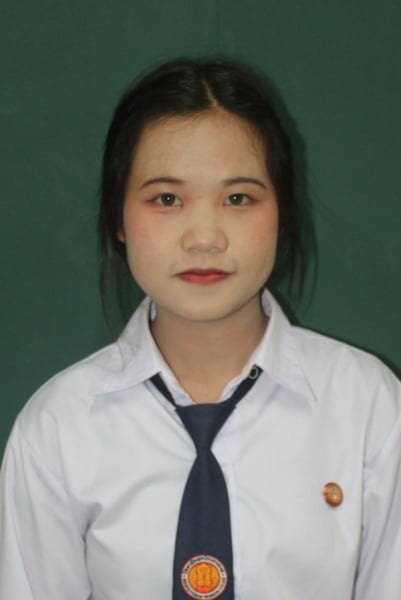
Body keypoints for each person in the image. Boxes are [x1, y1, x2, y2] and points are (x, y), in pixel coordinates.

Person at [0, 57, 400, 600]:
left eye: (238, 198)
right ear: (118, 219)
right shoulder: (58, 427)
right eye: (167, 199)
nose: (204, 237)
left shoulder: (369, 407)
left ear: (282, 213)